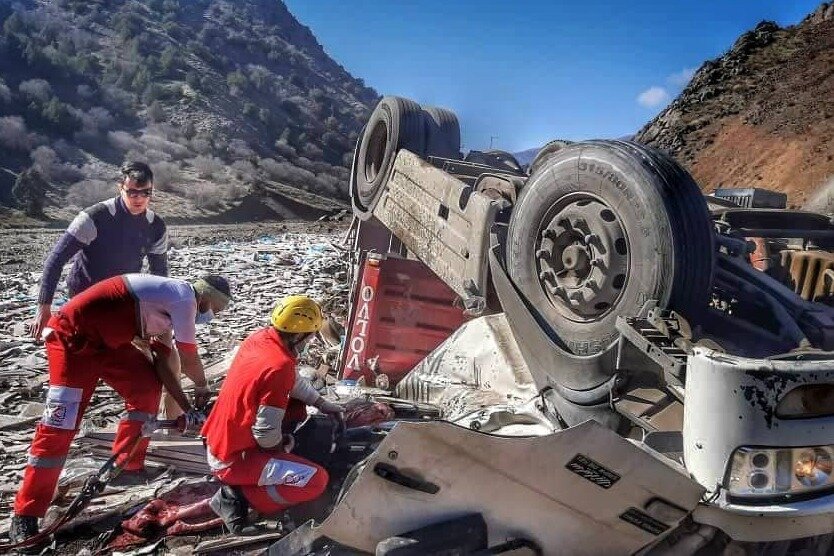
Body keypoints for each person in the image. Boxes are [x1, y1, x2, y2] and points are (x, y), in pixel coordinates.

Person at [9, 273, 232, 547]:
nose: (213, 316)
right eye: (216, 310)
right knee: (60, 426)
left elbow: (162, 364)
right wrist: (201, 387)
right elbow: (188, 358)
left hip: (108, 343)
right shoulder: (184, 298)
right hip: (72, 339)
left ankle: (128, 465)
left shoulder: (167, 307)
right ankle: (26, 512)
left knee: (146, 387)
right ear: (207, 299)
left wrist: (186, 408)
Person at [201, 295, 345, 535]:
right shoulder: (279, 367)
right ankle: (237, 497)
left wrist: (321, 403)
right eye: (310, 336)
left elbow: (294, 381)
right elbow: (266, 434)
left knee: (295, 428)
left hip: (219, 438)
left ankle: (247, 489)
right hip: (231, 459)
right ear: (300, 336)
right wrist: (283, 447)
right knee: (316, 481)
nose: (310, 340)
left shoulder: (260, 339)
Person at [31, 161, 168, 340]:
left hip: (122, 294)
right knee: (86, 346)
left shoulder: (156, 226)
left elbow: (159, 272)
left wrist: (157, 309)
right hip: (84, 292)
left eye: (145, 193)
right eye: (132, 192)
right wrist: (44, 307)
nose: (139, 198)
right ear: (121, 188)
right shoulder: (94, 217)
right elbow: (56, 259)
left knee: (121, 349)